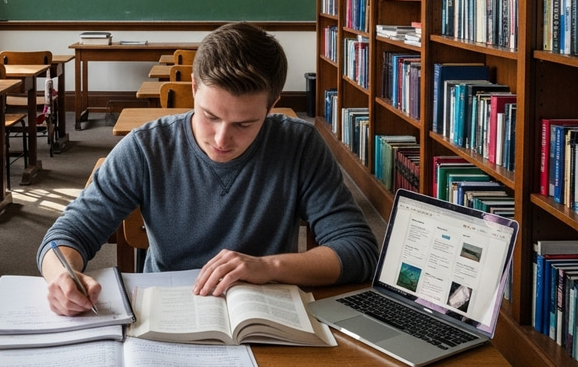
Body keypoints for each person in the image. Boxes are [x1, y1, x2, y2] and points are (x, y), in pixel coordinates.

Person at [38, 22, 379, 316]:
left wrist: (268, 266)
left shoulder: (299, 145)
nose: (221, 139)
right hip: (167, 309)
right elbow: (66, 235)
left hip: (263, 312)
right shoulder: (147, 147)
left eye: (244, 124)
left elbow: (358, 249)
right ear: (194, 87)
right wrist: (62, 275)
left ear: (272, 105)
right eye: (210, 116)